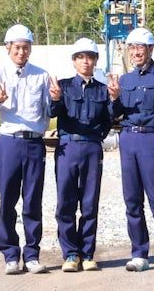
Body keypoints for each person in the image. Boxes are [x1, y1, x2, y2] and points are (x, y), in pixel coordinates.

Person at [0, 24, 50, 275]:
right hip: (9, 142)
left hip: (34, 143)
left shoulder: (41, 75)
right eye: (17, 47)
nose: (22, 52)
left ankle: (32, 255)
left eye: (26, 48)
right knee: (8, 200)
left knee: (33, 201)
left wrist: (56, 99)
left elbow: (48, 110)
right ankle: (10, 254)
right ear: (8, 48)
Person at [111, 27, 154, 273]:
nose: (135, 52)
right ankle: (139, 254)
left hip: (152, 139)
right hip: (128, 140)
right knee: (132, 200)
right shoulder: (124, 81)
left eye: (140, 47)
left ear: (151, 49)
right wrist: (114, 98)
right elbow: (114, 115)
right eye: (131, 48)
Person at [47, 38, 118, 273]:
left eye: (89, 57)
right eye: (80, 57)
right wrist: (55, 99)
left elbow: (110, 119)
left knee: (89, 203)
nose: (85, 61)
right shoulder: (63, 87)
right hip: (67, 148)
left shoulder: (103, 90)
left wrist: (115, 99)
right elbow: (52, 113)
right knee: (65, 202)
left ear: (95, 61)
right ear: (74, 61)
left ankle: (87, 254)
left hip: (92, 149)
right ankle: (70, 254)